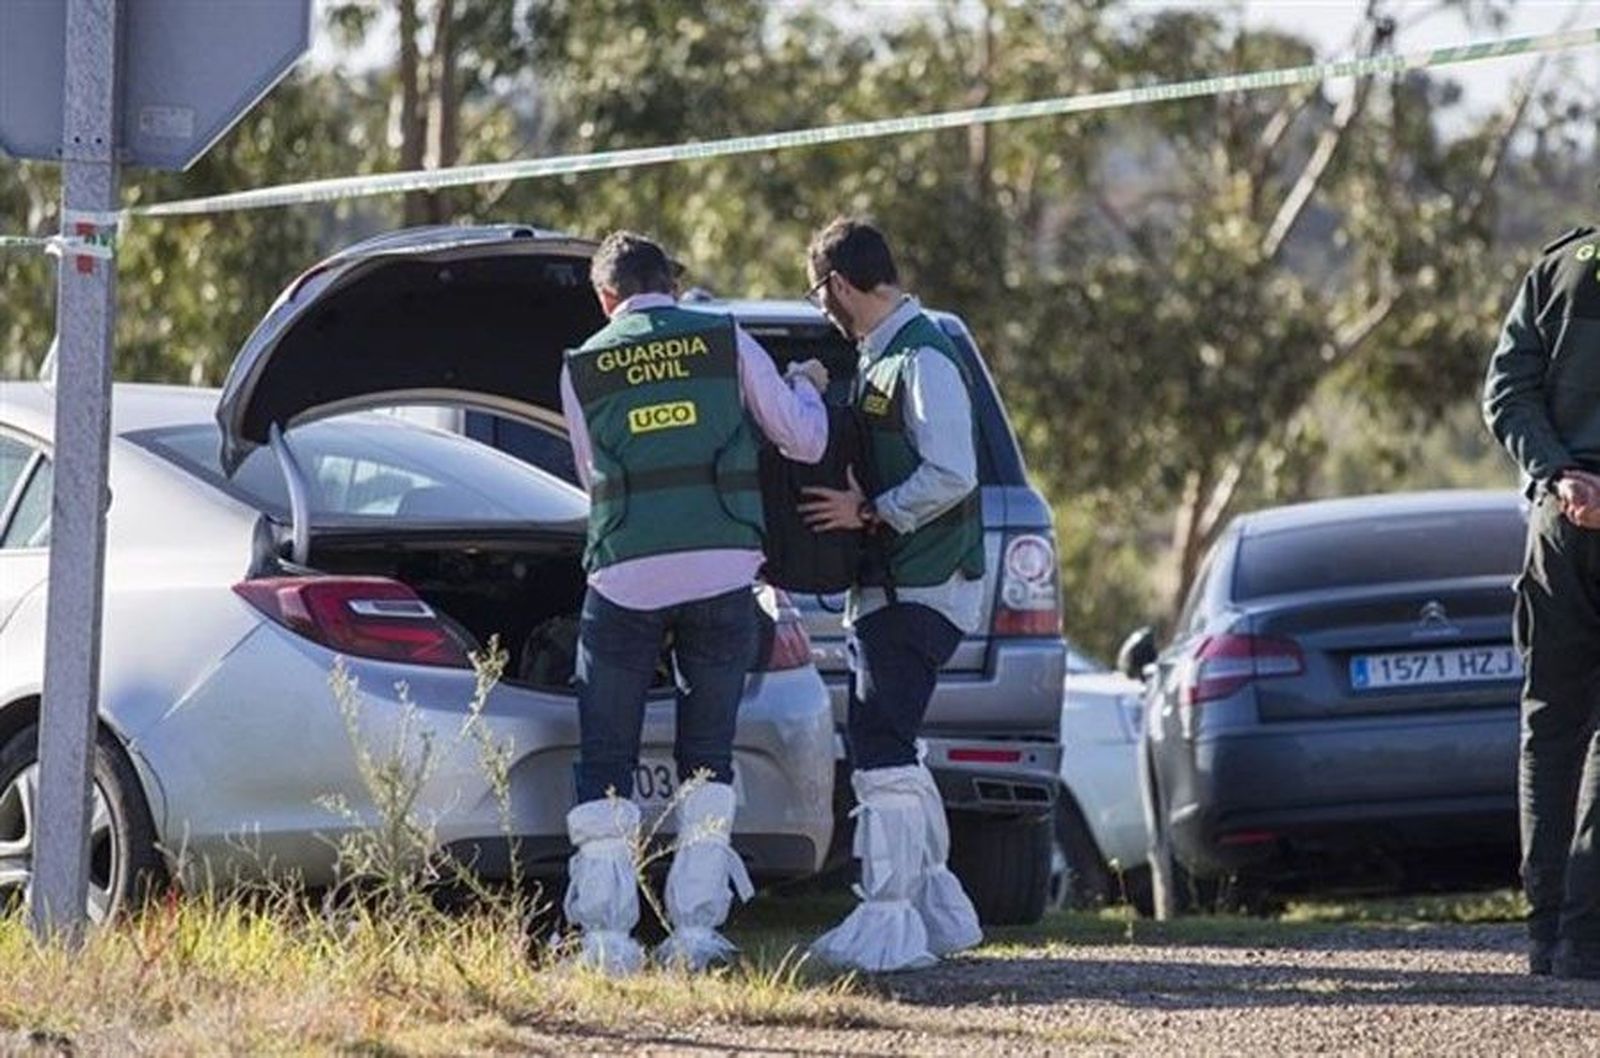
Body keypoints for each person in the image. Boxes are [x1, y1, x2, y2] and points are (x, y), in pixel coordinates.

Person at [559, 231, 830, 973]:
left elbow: (591, 475)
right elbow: (803, 441)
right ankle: (697, 934)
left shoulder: (582, 365)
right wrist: (807, 383)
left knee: (605, 756)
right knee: (707, 758)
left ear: (606, 298)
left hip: (623, 579)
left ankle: (606, 940)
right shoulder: (724, 338)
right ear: (672, 285)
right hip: (721, 574)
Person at [798, 217, 986, 972]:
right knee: (892, 744)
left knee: (880, 749)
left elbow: (953, 472)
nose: (821, 311)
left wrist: (872, 512)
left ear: (839, 285)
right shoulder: (883, 355)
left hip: (922, 586)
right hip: (893, 588)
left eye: (818, 295)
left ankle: (889, 925)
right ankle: (937, 915)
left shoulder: (922, 356)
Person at [1483, 218, 1600, 981]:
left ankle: (1546, 934)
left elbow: (1506, 392)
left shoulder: (1560, 265)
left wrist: (1559, 472)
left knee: (1551, 726)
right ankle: (1587, 939)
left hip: (1560, 518)